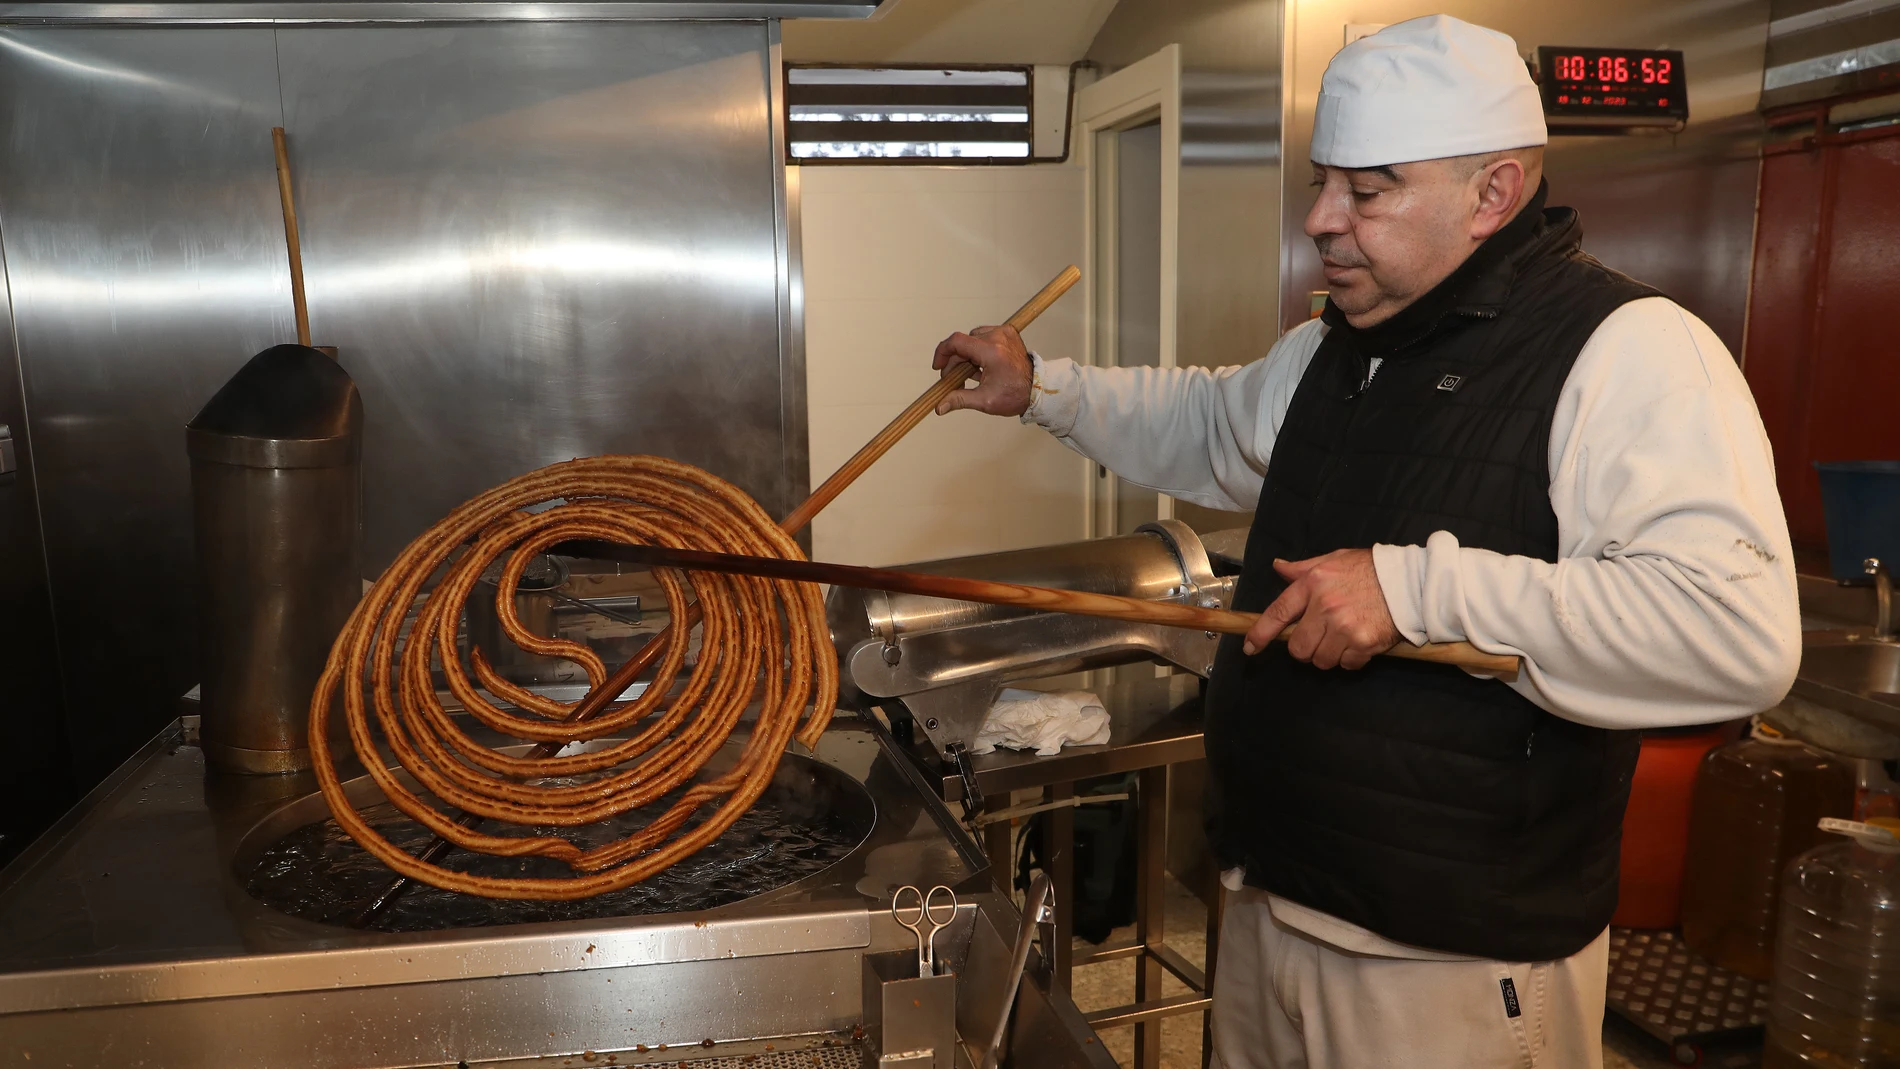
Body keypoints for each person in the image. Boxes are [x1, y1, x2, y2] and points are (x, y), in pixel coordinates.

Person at [928, 15, 1799, 1069]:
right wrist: (1046, 391)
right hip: (1266, 906)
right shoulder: (1335, 347)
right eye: (1322, 181)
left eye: (1368, 190)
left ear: (1494, 193)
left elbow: (1733, 634)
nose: (1320, 221)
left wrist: (1414, 588)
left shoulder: (1632, 352)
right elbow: (1210, 423)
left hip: (1451, 969)